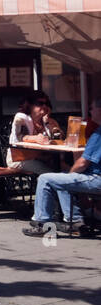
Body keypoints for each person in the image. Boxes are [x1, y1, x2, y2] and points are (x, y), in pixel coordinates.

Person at [24, 99, 101, 234]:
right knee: (62, 179)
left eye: (92, 108)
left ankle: (42, 223)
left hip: (96, 179)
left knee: (45, 178)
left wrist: (72, 174)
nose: (90, 111)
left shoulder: (98, 134)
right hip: (95, 177)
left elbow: (83, 163)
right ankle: (75, 221)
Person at [8, 92, 63, 177]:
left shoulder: (49, 121)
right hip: (20, 159)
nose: (44, 106)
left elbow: (59, 139)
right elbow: (19, 137)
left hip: (44, 158)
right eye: (40, 103)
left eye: (46, 103)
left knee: (68, 171)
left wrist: (48, 123)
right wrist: (36, 138)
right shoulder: (21, 118)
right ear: (30, 105)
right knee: (51, 174)